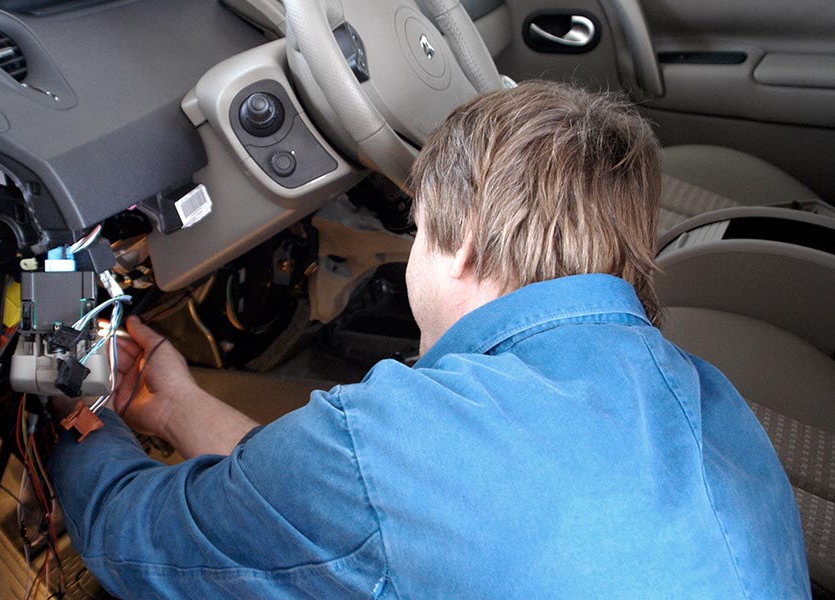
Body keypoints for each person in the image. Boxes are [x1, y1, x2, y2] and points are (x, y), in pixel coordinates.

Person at [49, 81, 810, 598]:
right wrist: (176, 405)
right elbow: (351, 514)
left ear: (467, 238)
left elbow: (130, 539)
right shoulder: (710, 398)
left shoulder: (389, 448)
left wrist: (71, 407)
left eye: (416, 231)